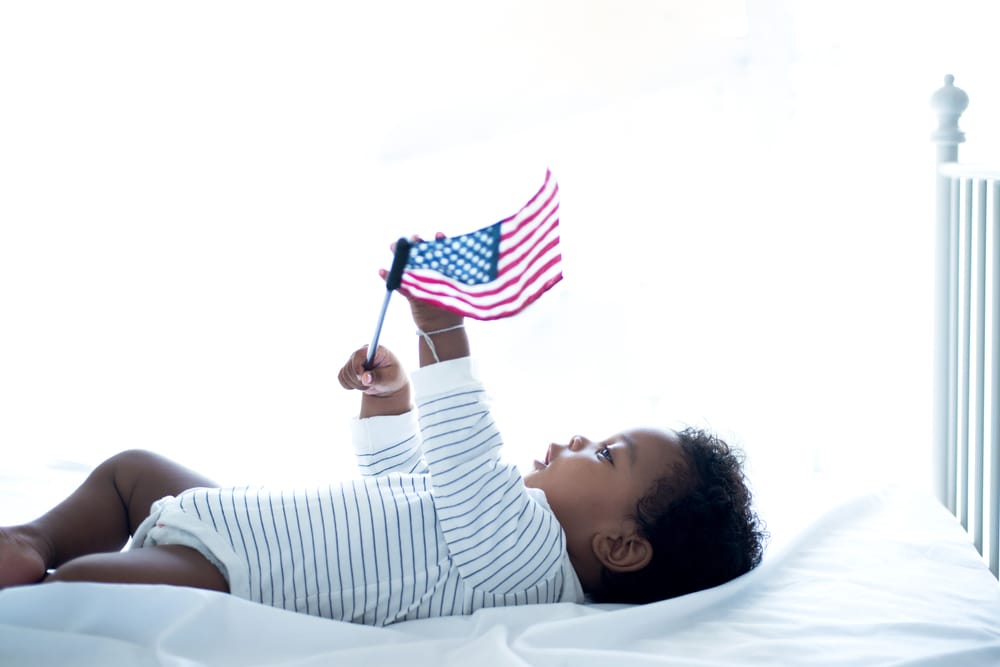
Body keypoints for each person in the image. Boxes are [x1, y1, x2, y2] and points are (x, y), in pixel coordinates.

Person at [0, 242, 766, 623]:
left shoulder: (528, 561)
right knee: (132, 469)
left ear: (622, 546)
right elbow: (400, 479)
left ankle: (40, 574)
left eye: (604, 453)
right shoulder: (489, 530)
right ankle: (33, 536)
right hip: (234, 517)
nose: (572, 440)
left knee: (88, 597)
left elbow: (464, 451)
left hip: (233, 576)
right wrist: (391, 398)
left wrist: (443, 328)